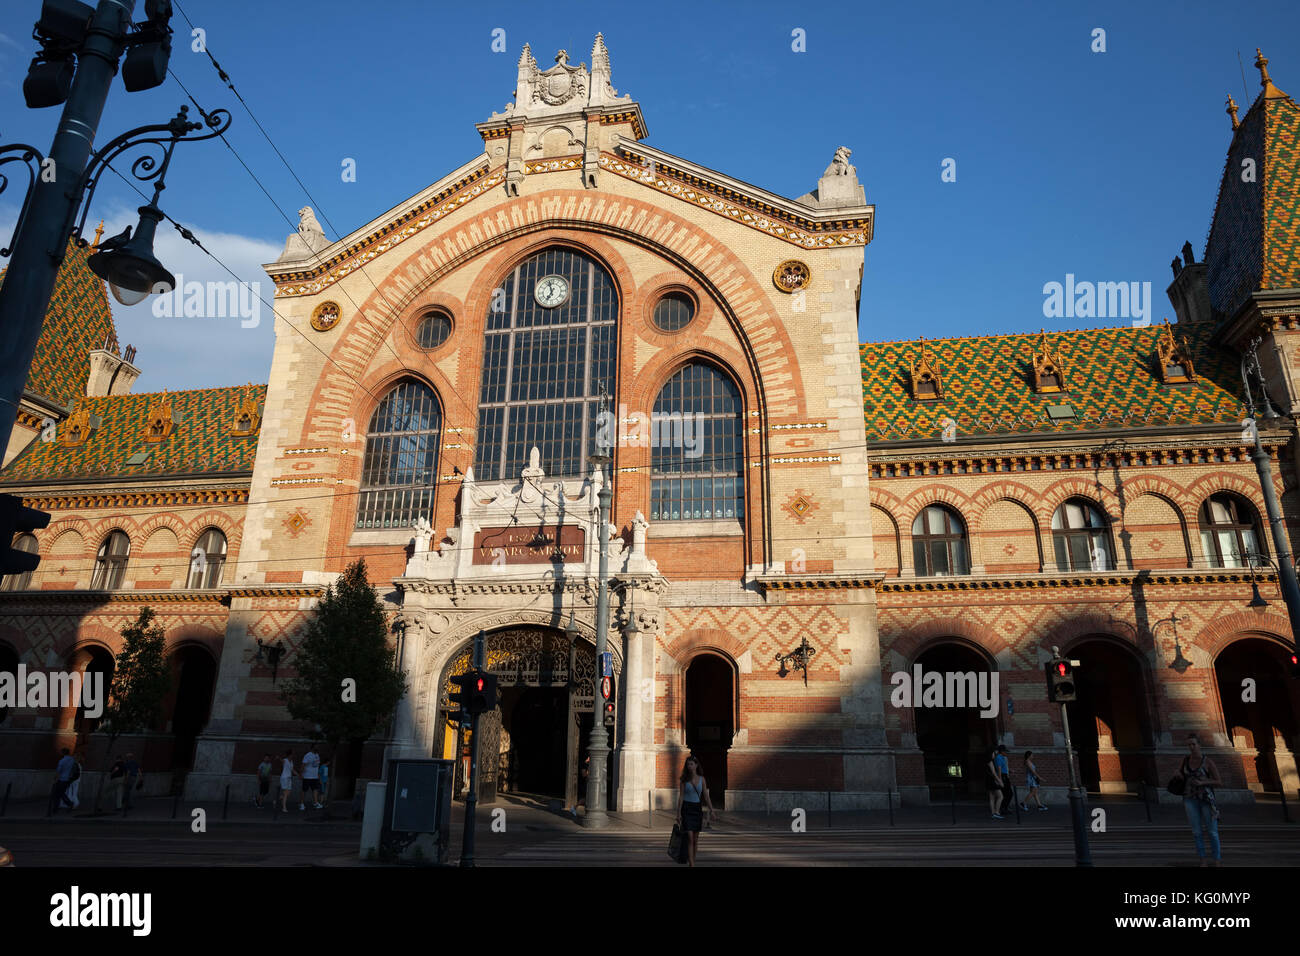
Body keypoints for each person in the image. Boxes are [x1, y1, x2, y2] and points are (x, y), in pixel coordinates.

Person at [1176, 733, 1222, 866]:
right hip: (1189, 799)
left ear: (1199, 745)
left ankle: (1217, 860)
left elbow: (1219, 782)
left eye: (1193, 744)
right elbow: (1182, 775)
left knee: (1212, 831)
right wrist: (1178, 774)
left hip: (1206, 800)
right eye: (1189, 745)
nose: (1191, 747)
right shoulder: (1185, 760)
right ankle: (1203, 860)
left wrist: (1203, 783)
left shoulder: (1207, 761)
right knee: (1196, 831)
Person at [674, 754, 714, 866]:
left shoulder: (702, 779)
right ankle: (692, 864)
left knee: (696, 839)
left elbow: (706, 796)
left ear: (696, 765)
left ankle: (692, 860)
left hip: (697, 809)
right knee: (690, 837)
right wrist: (678, 814)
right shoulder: (684, 780)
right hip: (686, 809)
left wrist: (712, 810)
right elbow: (681, 797)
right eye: (687, 765)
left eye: (691, 764)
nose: (689, 766)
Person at [48, 748, 76, 815]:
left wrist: (55, 778)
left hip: (62, 779)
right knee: (61, 793)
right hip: (68, 779)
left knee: (57, 793)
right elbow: (73, 769)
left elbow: (58, 770)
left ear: (63, 753)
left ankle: (57, 808)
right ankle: (68, 804)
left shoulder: (62, 761)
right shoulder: (72, 760)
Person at [994, 744, 1014, 816]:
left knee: (1008, 793)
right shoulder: (999, 757)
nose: (1006, 753)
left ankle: (1005, 807)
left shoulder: (1003, 757)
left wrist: (1010, 771)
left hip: (1005, 776)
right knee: (1007, 793)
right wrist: (1000, 780)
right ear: (1001, 751)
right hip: (1002, 776)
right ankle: (1003, 808)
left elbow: (1003, 767)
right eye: (1005, 751)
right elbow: (999, 769)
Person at [301, 745, 321, 810]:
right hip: (307, 776)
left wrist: (318, 775)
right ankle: (302, 804)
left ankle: (316, 803)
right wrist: (301, 774)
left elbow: (317, 766)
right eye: (316, 747)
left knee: (315, 790)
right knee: (304, 790)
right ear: (312, 748)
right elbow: (303, 765)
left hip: (314, 777)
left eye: (317, 748)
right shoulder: (307, 755)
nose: (317, 748)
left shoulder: (317, 755)